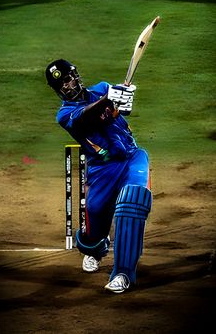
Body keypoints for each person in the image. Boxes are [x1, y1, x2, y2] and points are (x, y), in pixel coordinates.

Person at [45, 59, 152, 294]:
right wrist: (109, 99)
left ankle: (123, 272)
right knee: (94, 218)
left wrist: (123, 96)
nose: (68, 84)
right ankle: (93, 249)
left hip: (131, 157)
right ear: (57, 90)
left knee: (132, 202)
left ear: (76, 75)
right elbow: (85, 119)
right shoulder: (64, 114)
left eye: (69, 77)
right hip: (101, 170)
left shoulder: (103, 88)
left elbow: (122, 108)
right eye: (62, 83)